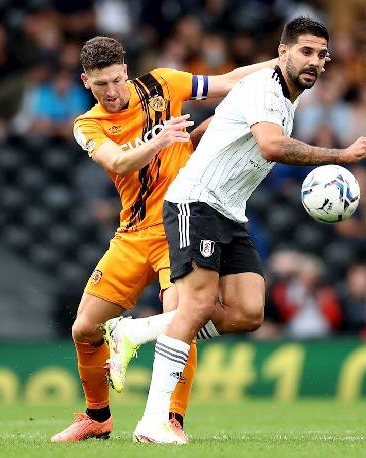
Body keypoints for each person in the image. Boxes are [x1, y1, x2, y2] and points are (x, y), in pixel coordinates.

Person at [105, 17, 366, 444]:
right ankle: (153, 421)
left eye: (320, 55)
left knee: (248, 313)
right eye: (305, 51)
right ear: (283, 51)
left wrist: (197, 142)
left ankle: (135, 331)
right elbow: (272, 146)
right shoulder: (266, 88)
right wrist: (342, 154)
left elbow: (212, 127)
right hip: (197, 203)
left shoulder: (284, 98)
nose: (313, 61)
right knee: (197, 305)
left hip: (230, 212)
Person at [50, 36, 278, 443]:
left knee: (183, 316)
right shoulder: (88, 124)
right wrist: (160, 139)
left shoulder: (162, 84)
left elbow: (228, 81)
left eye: (118, 79)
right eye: (102, 84)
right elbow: (118, 161)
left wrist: (280, 64)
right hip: (132, 235)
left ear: (127, 70)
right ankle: (97, 417)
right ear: (86, 81)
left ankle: (172, 419)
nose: (114, 91)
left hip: (180, 224)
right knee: (84, 328)